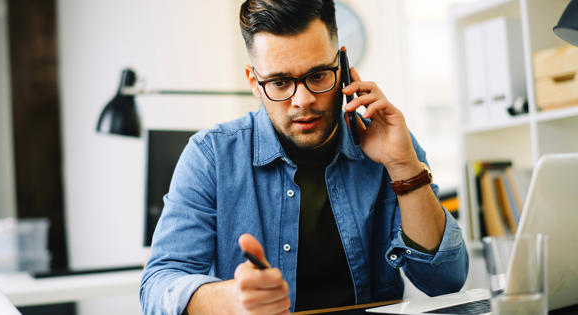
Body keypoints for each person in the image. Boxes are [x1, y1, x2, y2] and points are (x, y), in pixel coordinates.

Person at [140, 0, 468, 314]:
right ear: (255, 82)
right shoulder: (210, 157)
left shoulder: (390, 142)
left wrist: (403, 167)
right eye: (281, 82)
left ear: (341, 66)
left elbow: (446, 281)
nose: (303, 100)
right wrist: (228, 301)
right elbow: (158, 284)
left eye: (318, 75)